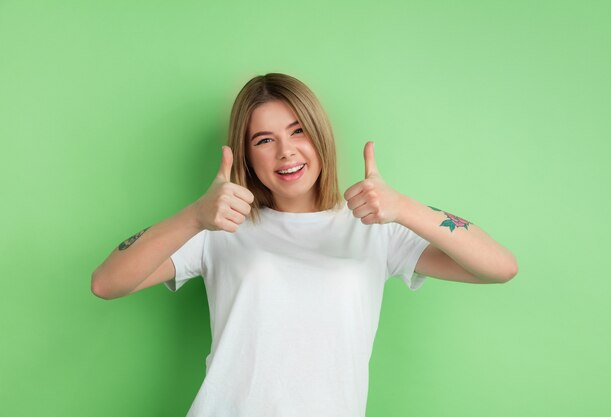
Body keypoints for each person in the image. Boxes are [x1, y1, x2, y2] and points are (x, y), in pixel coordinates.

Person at [91, 73, 518, 417]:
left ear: (319, 135)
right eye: (264, 140)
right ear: (246, 154)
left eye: (298, 131)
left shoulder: (373, 227)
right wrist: (194, 217)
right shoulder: (221, 226)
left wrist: (404, 207)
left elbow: (499, 266)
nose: (286, 152)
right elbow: (107, 282)